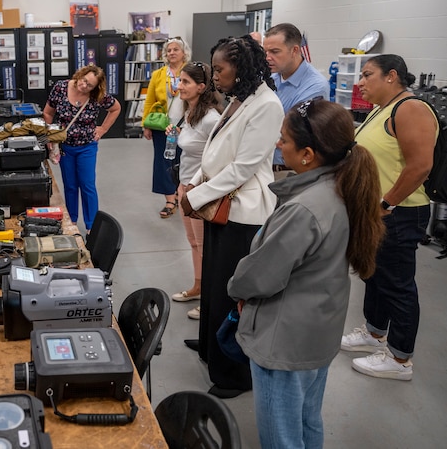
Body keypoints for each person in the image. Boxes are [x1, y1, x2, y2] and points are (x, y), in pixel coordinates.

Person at [228, 99, 385, 449]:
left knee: (281, 436)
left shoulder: (304, 208)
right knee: (307, 422)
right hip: (317, 331)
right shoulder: (343, 189)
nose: (278, 145)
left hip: (285, 341)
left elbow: (261, 276)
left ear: (308, 154)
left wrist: (236, 287)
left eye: (283, 140)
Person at [179, 35, 284, 399]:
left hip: (243, 212)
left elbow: (243, 166)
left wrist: (197, 195)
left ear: (241, 68)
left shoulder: (267, 105)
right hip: (219, 202)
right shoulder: (240, 99)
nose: (215, 76)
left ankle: (233, 374)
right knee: (213, 282)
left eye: (220, 69)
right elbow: (213, 150)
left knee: (231, 292)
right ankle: (210, 346)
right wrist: (192, 183)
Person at [340, 54, 437, 380]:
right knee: (375, 276)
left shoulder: (410, 109)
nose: (361, 82)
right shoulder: (384, 109)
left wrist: (386, 204)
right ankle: (374, 332)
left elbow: (420, 165)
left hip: (399, 213)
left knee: (397, 285)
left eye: (367, 75)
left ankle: (399, 360)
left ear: (392, 76)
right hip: (376, 211)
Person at [168, 61, 222, 319]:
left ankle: (210, 298)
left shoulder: (211, 119)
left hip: (200, 190)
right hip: (185, 185)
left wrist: (197, 186)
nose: (180, 86)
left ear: (202, 87)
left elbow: (220, 157)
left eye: (186, 82)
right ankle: (198, 286)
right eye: (180, 81)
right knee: (193, 242)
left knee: (204, 245)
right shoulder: (189, 113)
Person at [43, 65, 120, 231]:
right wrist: (48, 135)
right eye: (84, 80)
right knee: (70, 185)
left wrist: (103, 129)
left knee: (87, 185)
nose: (84, 86)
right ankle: (71, 222)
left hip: (87, 147)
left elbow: (115, 108)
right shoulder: (61, 87)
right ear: (80, 75)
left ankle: (92, 226)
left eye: (90, 85)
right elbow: (48, 113)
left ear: (95, 87)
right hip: (65, 147)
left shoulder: (97, 96)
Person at [263, 23, 329, 174]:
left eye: (274, 52)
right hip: (264, 165)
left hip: (287, 170)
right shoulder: (272, 78)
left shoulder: (315, 86)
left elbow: (292, 130)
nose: (267, 58)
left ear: (295, 50)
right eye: (265, 52)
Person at [142, 37, 191, 218]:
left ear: (184, 52)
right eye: (168, 50)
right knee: (163, 162)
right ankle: (170, 200)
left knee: (183, 160)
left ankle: (181, 194)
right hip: (162, 126)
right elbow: (150, 101)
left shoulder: (191, 72)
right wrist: (145, 125)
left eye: (175, 49)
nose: (171, 53)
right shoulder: (158, 74)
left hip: (186, 125)